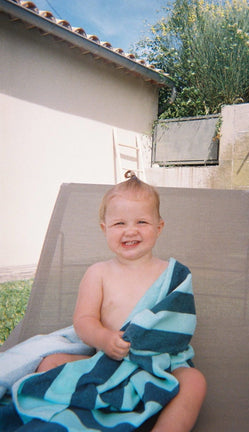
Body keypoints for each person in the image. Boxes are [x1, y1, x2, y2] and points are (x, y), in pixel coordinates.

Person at [36, 171, 206, 432]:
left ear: (159, 227)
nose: (131, 231)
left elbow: (179, 325)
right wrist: (104, 339)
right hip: (108, 360)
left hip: (161, 364)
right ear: (105, 229)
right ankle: (60, 415)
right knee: (50, 363)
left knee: (194, 381)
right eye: (119, 224)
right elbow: (84, 321)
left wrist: (152, 347)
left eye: (142, 222)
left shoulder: (173, 275)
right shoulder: (98, 273)